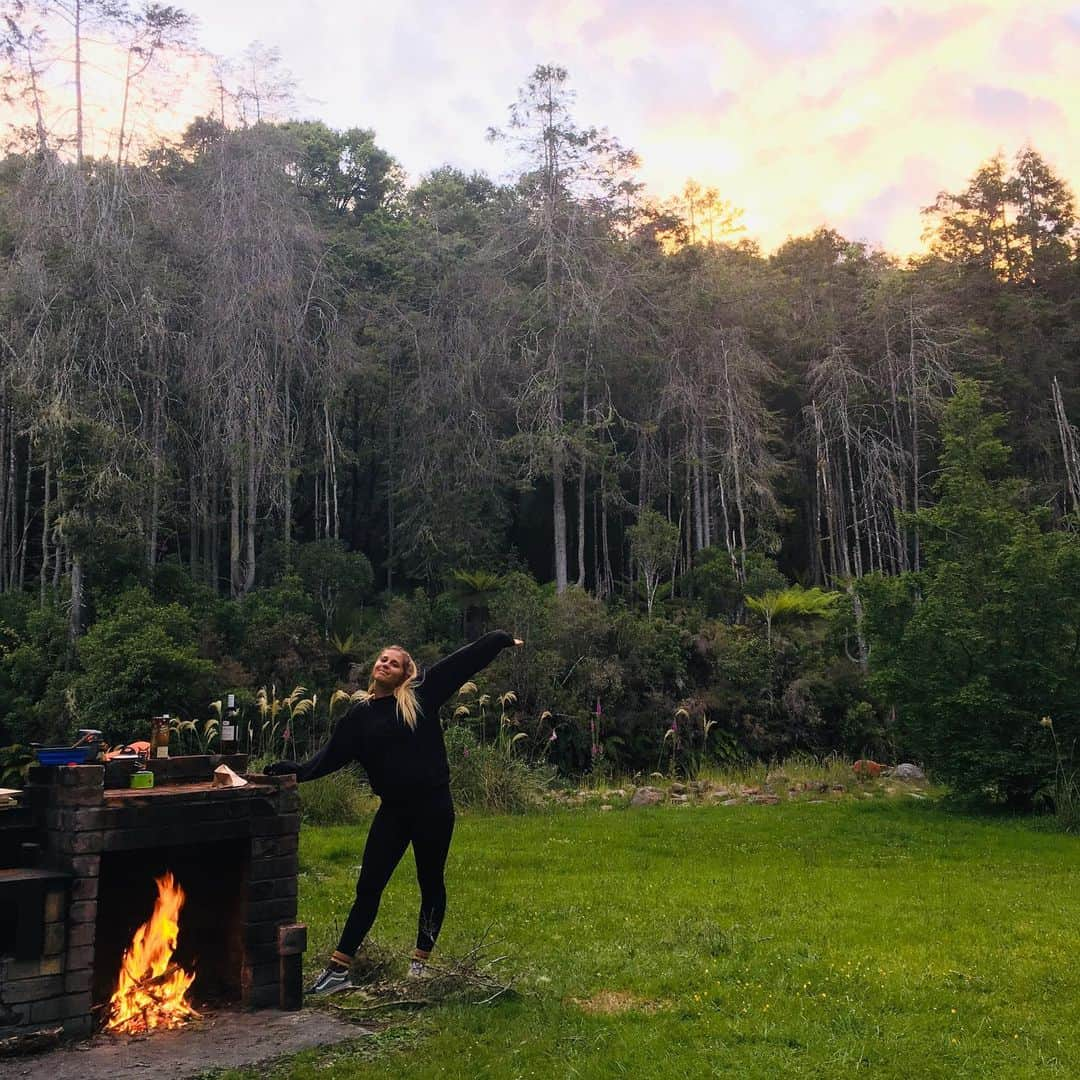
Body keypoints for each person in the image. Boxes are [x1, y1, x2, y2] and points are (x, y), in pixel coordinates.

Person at [265, 629, 522, 995]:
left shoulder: (419, 697)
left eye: (394, 662)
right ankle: (339, 969)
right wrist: (294, 771)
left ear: (405, 673)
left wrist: (497, 639)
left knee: (430, 882)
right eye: (382, 659)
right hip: (394, 812)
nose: (385, 664)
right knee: (369, 886)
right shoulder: (359, 717)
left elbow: (460, 664)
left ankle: (420, 964)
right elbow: (328, 758)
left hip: (433, 806)